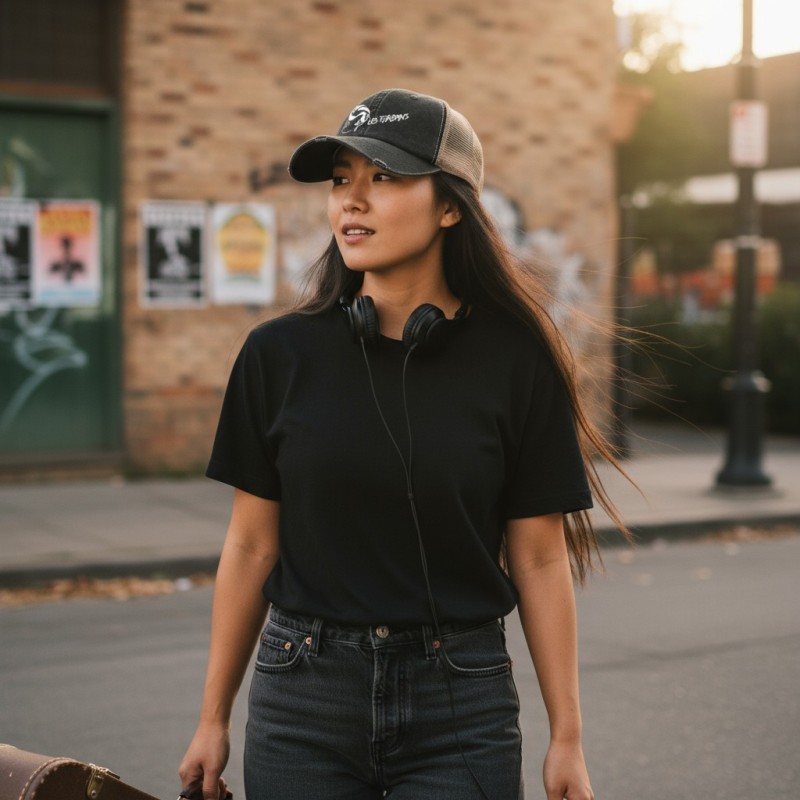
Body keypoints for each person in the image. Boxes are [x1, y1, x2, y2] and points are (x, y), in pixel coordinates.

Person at [179, 88, 628, 800]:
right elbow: (249, 546)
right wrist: (212, 717)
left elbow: (539, 558)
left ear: (450, 206)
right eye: (341, 181)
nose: (352, 202)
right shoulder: (278, 355)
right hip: (303, 698)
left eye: (383, 178)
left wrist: (567, 738)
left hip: (462, 702)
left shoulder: (518, 361)